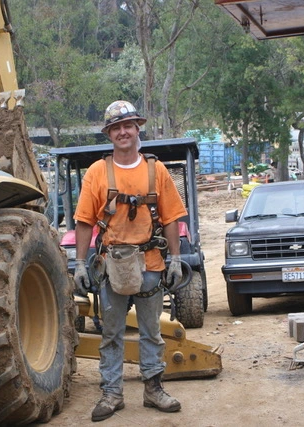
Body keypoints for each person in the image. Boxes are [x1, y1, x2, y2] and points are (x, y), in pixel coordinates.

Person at [73, 100, 187, 422]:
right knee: (112, 334)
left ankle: (153, 389)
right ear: (109, 134)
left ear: (138, 129)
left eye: (128, 126)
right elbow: (84, 221)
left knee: (151, 331)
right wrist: (81, 264)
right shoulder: (98, 172)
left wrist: (176, 259)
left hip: (150, 262)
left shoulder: (156, 170)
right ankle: (111, 393)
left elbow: (171, 218)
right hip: (113, 265)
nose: (123, 132)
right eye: (116, 127)